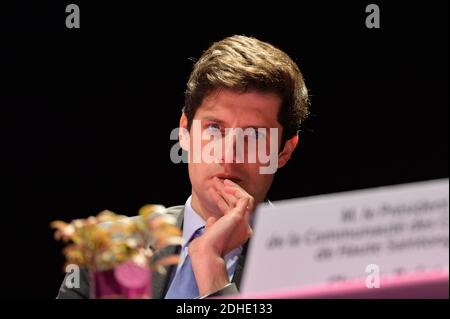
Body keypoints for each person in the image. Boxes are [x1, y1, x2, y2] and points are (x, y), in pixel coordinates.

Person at [57, 35, 310, 299]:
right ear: (184, 131)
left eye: (255, 136)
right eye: (214, 128)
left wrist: (213, 271)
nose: (229, 155)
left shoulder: (309, 263)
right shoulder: (108, 249)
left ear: (284, 151)